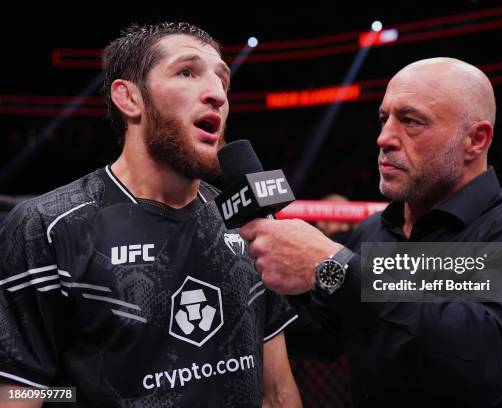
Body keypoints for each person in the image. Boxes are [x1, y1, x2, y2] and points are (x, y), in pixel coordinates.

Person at [240, 58, 502, 407]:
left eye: (411, 121)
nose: (384, 138)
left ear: (475, 140)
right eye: (384, 118)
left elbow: (486, 362)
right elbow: (324, 335)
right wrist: (244, 286)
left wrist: (335, 268)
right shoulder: (375, 231)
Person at [0, 22, 301, 407]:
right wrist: (72, 394)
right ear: (129, 98)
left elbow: (276, 393)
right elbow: (21, 389)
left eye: (222, 80)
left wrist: (336, 267)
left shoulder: (248, 223)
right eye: (187, 72)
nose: (216, 94)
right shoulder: (50, 226)